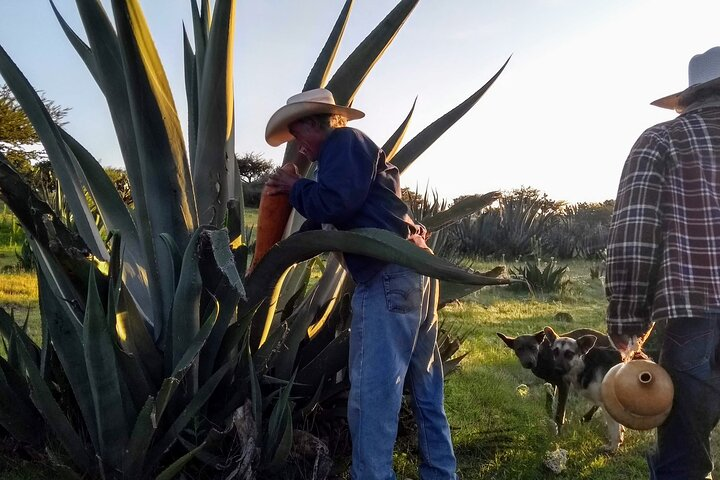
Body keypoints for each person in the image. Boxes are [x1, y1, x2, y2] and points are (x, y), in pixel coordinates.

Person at [264, 88, 458, 480]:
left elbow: (336, 204)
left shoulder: (343, 143)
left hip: (388, 276)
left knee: (374, 397)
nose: (296, 142)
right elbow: (325, 218)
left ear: (318, 123)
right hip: (412, 270)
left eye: (297, 130)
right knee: (425, 385)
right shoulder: (349, 157)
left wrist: (293, 187)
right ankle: (440, 472)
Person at [605, 47, 720, 479]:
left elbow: (635, 237)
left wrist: (628, 321)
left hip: (695, 317)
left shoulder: (661, 139)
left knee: (684, 460)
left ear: (687, 97)